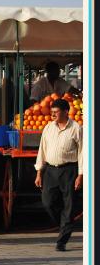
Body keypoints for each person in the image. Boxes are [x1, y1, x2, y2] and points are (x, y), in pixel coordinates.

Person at [34, 98, 83, 252]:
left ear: (66, 112)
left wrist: (80, 175)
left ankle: (62, 240)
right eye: (52, 112)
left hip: (69, 170)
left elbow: (83, 153)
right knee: (48, 201)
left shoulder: (76, 128)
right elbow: (42, 150)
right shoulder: (48, 128)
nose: (52, 114)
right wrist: (39, 172)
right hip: (50, 170)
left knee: (69, 205)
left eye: (56, 112)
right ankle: (64, 223)